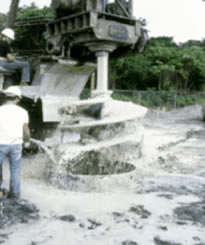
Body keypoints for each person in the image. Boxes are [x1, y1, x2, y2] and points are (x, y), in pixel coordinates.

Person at [0, 86, 30, 199]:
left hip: (0, 144)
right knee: (15, 171)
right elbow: (26, 132)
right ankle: (15, 195)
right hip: (16, 145)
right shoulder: (23, 112)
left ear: (5, 97)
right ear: (17, 99)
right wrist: (26, 143)